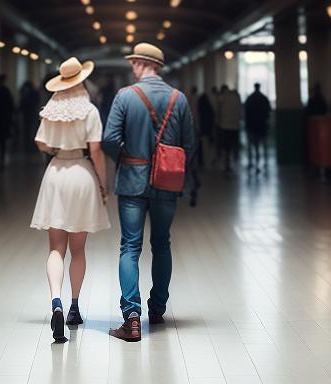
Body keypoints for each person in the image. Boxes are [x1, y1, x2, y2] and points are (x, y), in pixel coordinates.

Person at [103, 42, 196, 343]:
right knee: (162, 244)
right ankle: (157, 311)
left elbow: (109, 139)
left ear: (140, 63)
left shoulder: (125, 96)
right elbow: (190, 144)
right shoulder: (178, 99)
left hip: (132, 179)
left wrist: (127, 158)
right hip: (166, 182)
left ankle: (131, 318)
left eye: (133, 61)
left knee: (130, 246)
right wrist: (168, 163)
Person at [30, 56, 109, 344]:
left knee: (55, 249)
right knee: (79, 249)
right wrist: (103, 184)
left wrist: (54, 148)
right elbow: (97, 150)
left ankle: (56, 303)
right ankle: (74, 307)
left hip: (55, 174)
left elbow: (39, 142)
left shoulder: (50, 110)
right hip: (82, 173)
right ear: (82, 81)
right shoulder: (89, 111)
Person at [243, 83, 271, 172]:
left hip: (252, 126)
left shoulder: (250, 99)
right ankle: (265, 162)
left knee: (252, 146)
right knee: (263, 145)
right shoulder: (264, 98)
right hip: (262, 126)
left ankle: (252, 162)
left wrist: (247, 125)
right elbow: (268, 112)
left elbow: (246, 113)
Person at [216, 83, 242, 174]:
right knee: (232, 145)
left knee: (226, 147)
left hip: (225, 126)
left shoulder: (222, 97)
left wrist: (218, 122)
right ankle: (233, 159)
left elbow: (218, 111)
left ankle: (227, 164)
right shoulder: (236, 97)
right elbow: (240, 112)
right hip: (235, 126)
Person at [195, 87, 215, 163]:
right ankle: (207, 161)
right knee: (208, 147)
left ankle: (202, 160)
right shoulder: (209, 109)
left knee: (203, 146)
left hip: (202, 130)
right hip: (208, 130)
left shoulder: (200, 109)